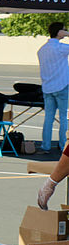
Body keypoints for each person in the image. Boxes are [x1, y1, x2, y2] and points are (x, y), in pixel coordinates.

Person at [37, 22, 69, 154]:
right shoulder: (61, 48)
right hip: (62, 86)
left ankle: (46, 145)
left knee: (48, 118)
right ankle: (63, 145)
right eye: (64, 29)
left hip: (47, 87)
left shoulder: (41, 50)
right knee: (63, 117)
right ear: (59, 32)